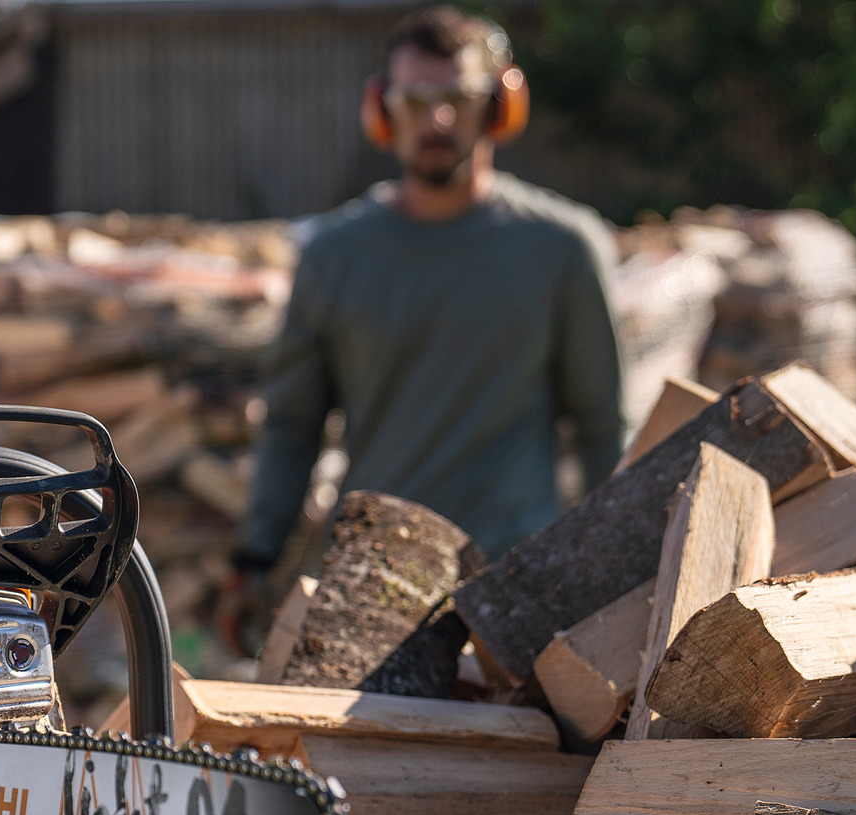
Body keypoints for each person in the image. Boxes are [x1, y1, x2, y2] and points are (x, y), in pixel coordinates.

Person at [219, 6, 623, 655]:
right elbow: (292, 424)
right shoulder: (335, 257)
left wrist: (615, 574)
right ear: (383, 109)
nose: (436, 121)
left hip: (514, 591)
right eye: (416, 101)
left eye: (457, 100)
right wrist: (255, 555)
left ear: (497, 107)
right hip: (371, 588)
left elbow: (603, 425)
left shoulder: (561, 249)